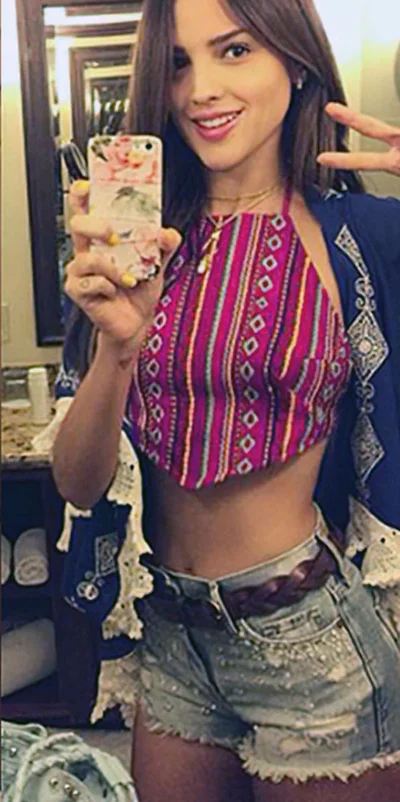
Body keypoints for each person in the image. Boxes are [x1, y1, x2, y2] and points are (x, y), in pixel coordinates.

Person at [50, 0, 400, 799]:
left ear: (296, 62)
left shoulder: (363, 235)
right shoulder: (137, 243)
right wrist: (117, 350)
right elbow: (78, 482)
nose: (200, 88)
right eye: (177, 62)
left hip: (311, 640)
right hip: (173, 640)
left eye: (234, 50)